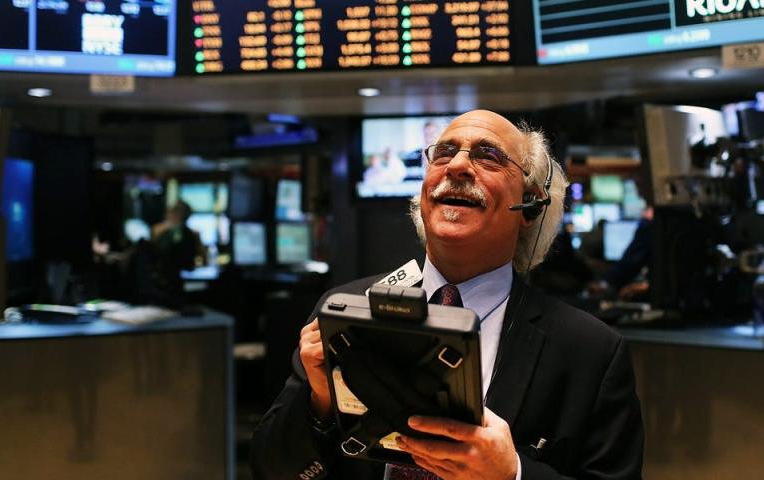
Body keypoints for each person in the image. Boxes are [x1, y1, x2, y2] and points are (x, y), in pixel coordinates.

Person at [251, 110, 644, 479]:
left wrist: (512, 473)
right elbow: (271, 470)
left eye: (489, 156)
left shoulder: (589, 351)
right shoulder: (343, 309)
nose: (456, 166)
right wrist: (319, 402)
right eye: (443, 153)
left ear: (530, 206)